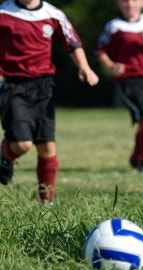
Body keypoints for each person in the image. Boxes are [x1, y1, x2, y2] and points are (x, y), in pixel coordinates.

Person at [0, 0, 99, 205]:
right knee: (22, 144)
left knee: (47, 147)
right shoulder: (3, 12)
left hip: (43, 88)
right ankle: (5, 155)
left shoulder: (54, 15)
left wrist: (85, 68)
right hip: (12, 86)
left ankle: (47, 203)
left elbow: (73, 43)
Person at [95, 0, 143, 172]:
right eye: (125, 1)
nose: (130, 4)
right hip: (128, 79)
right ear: (119, 3)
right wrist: (110, 66)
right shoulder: (114, 26)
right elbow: (99, 50)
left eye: (134, 1)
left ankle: (137, 159)